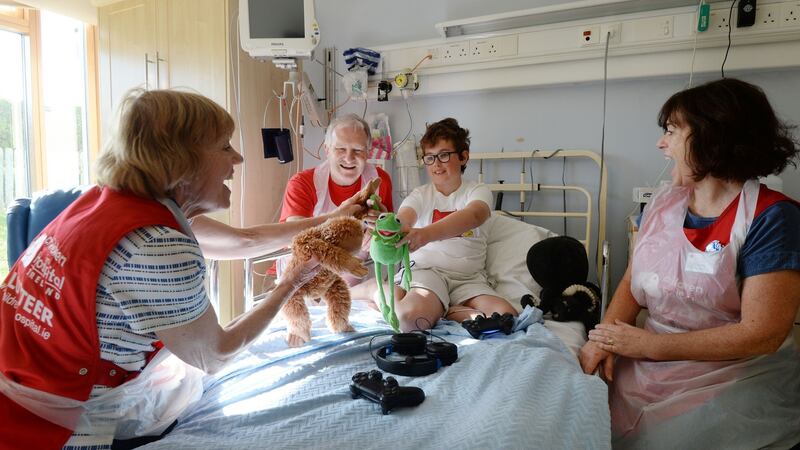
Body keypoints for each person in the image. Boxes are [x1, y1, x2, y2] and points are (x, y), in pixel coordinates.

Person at [0, 89, 337, 449]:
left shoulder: (108, 203)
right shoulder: (157, 244)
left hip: (20, 379)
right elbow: (214, 355)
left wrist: (331, 220)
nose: (237, 158)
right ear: (182, 161)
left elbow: (244, 241)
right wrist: (291, 281)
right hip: (48, 425)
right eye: (224, 146)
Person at [578, 78, 800, 449]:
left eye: (671, 131)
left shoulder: (771, 217)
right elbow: (634, 279)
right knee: (578, 415)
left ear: (713, 135)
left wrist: (649, 346)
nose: (661, 144)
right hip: (649, 358)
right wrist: (606, 339)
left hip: (731, 371)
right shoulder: (664, 204)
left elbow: (763, 334)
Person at [392, 118, 517, 332]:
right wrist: (391, 228)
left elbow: (474, 215)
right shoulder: (420, 195)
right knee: (410, 319)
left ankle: (446, 310)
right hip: (428, 272)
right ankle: (429, 304)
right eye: (429, 158)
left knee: (507, 316)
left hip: (467, 279)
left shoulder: (478, 191)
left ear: (463, 157)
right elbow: (404, 218)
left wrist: (425, 235)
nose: (436, 164)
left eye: (443, 155)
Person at [278, 113, 394, 299]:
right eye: (340, 148)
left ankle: (358, 292)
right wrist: (339, 216)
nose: (349, 158)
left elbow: (389, 231)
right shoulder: (302, 183)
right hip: (303, 278)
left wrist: (379, 230)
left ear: (368, 151)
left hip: (352, 278)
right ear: (327, 149)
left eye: (358, 150)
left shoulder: (380, 181)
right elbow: (296, 237)